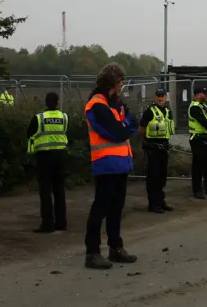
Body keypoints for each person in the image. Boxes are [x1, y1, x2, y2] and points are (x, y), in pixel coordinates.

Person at [84, 63, 138, 269]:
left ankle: (115, 247)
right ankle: (92, 252)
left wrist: (125, 125)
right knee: (101, 207)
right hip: (106, 163)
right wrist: (125, 126)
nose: (122, 84)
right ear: (113, 82)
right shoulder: (97, 104)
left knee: (116, 207)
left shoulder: (115, 103)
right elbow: (119, 131)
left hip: (121, 163)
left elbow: (130, 121)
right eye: (120, 81)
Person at [26, 92, 68, 233]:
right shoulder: (64, 117)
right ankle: (61, 222)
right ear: (57, 102)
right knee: (59, 190)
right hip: (60, 156)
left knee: (45, 191)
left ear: (45, 103)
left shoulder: (39, 118)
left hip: (44, 157)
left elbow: (29, 134)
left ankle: (47, 224)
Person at [139, 87, 174, 214]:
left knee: (162, 176)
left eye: (162, 96)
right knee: (153, 177)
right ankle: (153, 203)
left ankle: (160, 201)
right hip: (153, 147)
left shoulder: (167, 111)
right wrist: (146, 143)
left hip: (163, 146)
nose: (160, 98)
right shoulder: (149, 111)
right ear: (155, 97)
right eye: (158, 96)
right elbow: (142, 129)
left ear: (166, 97)